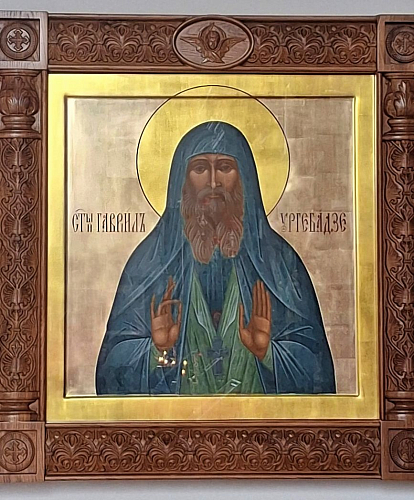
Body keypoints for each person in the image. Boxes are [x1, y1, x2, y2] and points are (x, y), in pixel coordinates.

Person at [95, 121, 336, 395]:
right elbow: (110, 372)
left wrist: (269, 352)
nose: (213, 182)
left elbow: (317, 371)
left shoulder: (278, 262)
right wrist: (154, 349)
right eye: (200, 169)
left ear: (243, 178)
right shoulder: (150, 262)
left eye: (224, 167)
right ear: (182, 181)